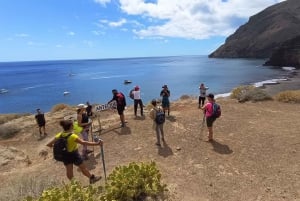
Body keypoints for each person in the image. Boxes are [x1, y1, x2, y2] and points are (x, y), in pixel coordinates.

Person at [46, 120, 102, 184]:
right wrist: (97, 143)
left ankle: (75, 185)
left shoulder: (60, 135)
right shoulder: (72, 136)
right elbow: (84, 143)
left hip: (65, 155)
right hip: (74, 154)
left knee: (69, 171)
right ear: (70, 126)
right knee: (83, 168)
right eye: (72, 125)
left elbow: (49, 144)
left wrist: (59, 147)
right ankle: (92, 179)